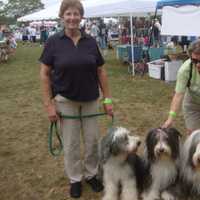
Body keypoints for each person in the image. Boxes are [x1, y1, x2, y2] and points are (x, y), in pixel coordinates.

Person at [39, 0, 113, 198]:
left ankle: (90, 174)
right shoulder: (53, 42)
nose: (72, 18)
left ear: (81, 17)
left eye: (76, 14)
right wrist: (49, 105)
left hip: (90, 99)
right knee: (71, 144)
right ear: (62, 17)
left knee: (92, 141)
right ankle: (75, 178)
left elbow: (101, 71)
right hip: (65, 100)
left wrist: (107, 99)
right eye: (68, 14)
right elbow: (44, 74)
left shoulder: (90, 41)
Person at [162, 39, 200, 134]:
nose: (198, 64)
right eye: (195, 61)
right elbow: (178, 95)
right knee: (194, 135)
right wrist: (170, 118)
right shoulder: (185, 70)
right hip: (192, 104)